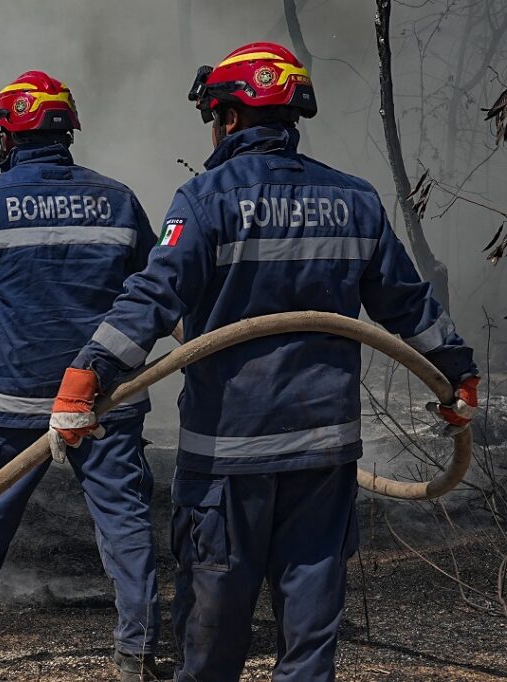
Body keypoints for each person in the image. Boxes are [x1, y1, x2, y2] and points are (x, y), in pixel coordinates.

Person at [49, 43, 480, 682]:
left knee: (213, 639)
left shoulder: (205, 200)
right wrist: (456, 371)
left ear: (228, 117)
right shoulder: (354, 199)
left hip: (229, 459)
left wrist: (85, 379)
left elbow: (152, 296)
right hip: (322, 457)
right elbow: (407, 303)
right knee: (309, 642)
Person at [0, 71, 165, 681]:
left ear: (8, 136)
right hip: (105, 398)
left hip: (14, 401)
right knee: (125, 526)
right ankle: (136, 652)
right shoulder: (118, 198)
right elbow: (155, 285)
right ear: (66, 132)